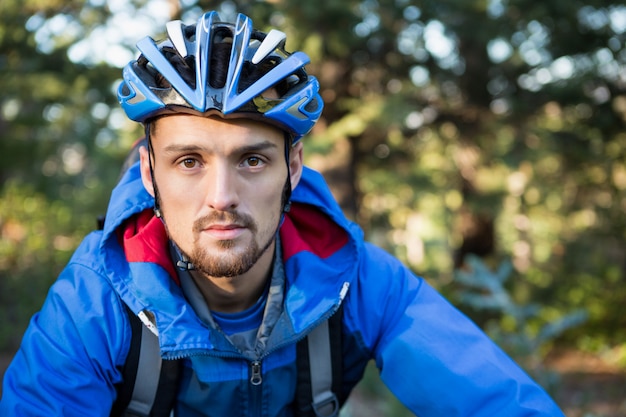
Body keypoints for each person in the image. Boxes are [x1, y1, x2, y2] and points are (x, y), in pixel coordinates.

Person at [0, 10, 566, 417]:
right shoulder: (94, 301)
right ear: (150, 174)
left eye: (251, 159)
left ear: (292, 168)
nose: (221, 195)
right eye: (189, 161)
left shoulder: (356, 282)